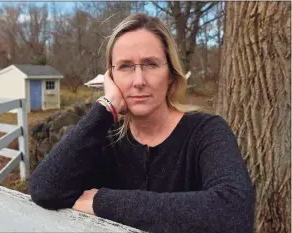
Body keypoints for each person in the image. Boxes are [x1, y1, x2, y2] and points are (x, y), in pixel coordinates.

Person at [29, 13, 255, 233]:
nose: (138, 81)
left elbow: (234, 212)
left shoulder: (207, 131)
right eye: (125, 66)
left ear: (171, 74)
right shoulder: (104, 136)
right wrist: (107, 106)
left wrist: (104, 201)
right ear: (111, 77)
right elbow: (44, 189)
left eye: (151, 64)